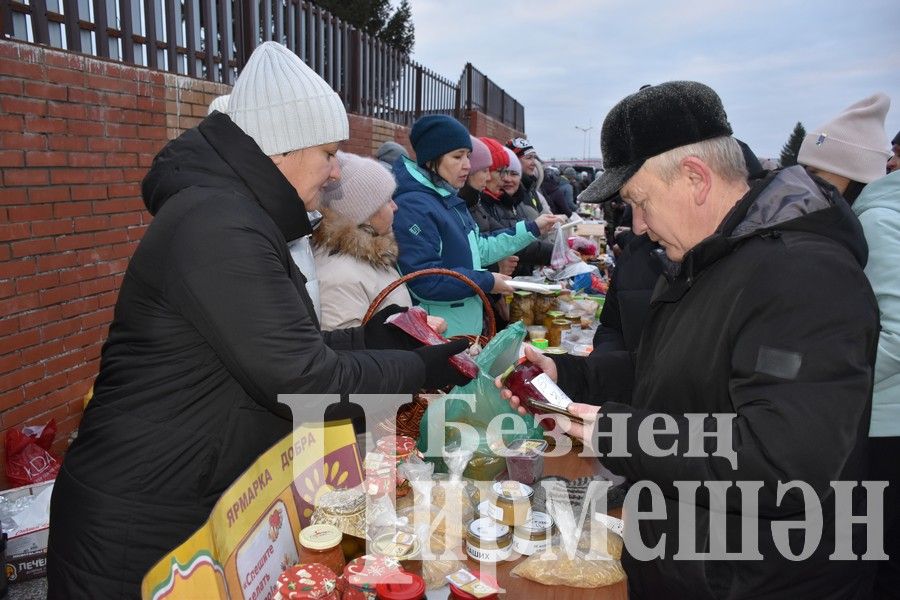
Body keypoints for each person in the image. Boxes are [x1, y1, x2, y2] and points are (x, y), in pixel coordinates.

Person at [47, 42, 470, 598]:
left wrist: (367, 338)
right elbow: (300, 380)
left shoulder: (234, 214)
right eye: (328, 151)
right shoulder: (219, 224)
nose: (337, 170)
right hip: (143, 515)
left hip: (186, 491)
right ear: (282, 149)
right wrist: (413, 370)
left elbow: (276, 347)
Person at [499, 81, 878, 599]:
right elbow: (674, 374)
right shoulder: (710, 257)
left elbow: (786, 458)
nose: (637, 225)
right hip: (686, 560)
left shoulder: (804, 276)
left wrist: (620, 433)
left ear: (696, 178)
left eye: (639, 202)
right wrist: (567, 375)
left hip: (754, 578)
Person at [798, 92, 898, 598]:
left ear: (852, 177)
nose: (809, 189)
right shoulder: (871, 218)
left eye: (820, 177)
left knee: (871, 556)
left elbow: (895, 333)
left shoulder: (876, 224)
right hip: (872, 413)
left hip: (880, 422)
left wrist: (831, 392)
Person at [391, 115, 559, 336]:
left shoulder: (447, 198)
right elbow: (424, 280)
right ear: (432, 159)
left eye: (468, 156)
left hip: (461, 331)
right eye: (457, 156)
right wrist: (487, 281)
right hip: (439, 335)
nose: (467, 166)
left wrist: (532, 229)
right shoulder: (415, 206)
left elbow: (478, 249)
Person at [312, 151, 411, 329]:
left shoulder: (370, 256)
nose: (395, 207)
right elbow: (346, 350)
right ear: (364, 213)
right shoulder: (340, 275)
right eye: (387, 200)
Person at [506, 137, 550, 215]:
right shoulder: (510, 187)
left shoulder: (530, 186)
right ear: (515, 160)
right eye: (529, 158)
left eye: (534, 157)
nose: (533, 163)